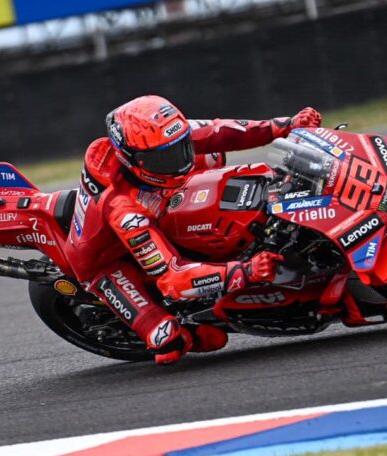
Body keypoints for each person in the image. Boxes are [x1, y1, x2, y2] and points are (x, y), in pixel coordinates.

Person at [62, 94, 323, 365]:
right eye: (164, 159)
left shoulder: (162, 139)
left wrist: (287, 125)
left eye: (181, 148)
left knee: (211, 151)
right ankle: (174, 325)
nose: (179, 161)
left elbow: (223, 131)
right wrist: (245, 271)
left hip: (162, 201)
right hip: (105, 258)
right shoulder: (122, 208)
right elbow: (172, 279)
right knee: (168, 340)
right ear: (133, 159)